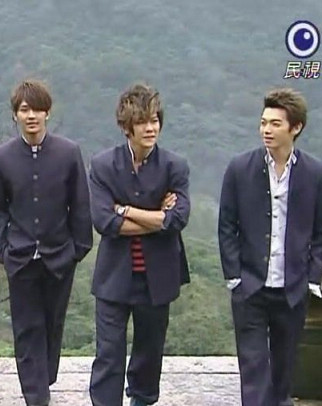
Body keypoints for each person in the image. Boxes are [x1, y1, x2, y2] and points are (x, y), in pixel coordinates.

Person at [218, 87, 322, 406]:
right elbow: (227, 225)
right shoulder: (240, 168)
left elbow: (321, 231)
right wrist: (235, 276)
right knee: (253, 370)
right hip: (250, 287)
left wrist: (311, 279)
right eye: (263, 122)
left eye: (275, 123)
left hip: (292, 289)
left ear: (296, 128)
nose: (266, 129)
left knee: (283, 374)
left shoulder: (313, 173)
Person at [0, 79, 93, 406]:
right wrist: (0, 248)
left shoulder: (68, 153)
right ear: (15, 115)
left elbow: (80, 204)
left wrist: (78, 249)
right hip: (19, 257)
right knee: (26, 326)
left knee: (52, 323)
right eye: (24, 109)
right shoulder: (2, 157)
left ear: (48, 112)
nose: (31, 116)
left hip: (60, 255)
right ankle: (36, 395)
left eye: (37, 109)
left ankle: (43, 379)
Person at [88, 83, 191, 406]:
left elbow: (177, 219)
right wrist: (156, 216)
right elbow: (104, 222)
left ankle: (142, 400)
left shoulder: (174, 166)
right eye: (142, 121)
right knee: (109, 352)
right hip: (114, 275)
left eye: (154, 120)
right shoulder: (104, 165)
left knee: (149, 350)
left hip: (157, 275)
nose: (150, 128)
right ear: (126, 127)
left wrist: (126, 210)